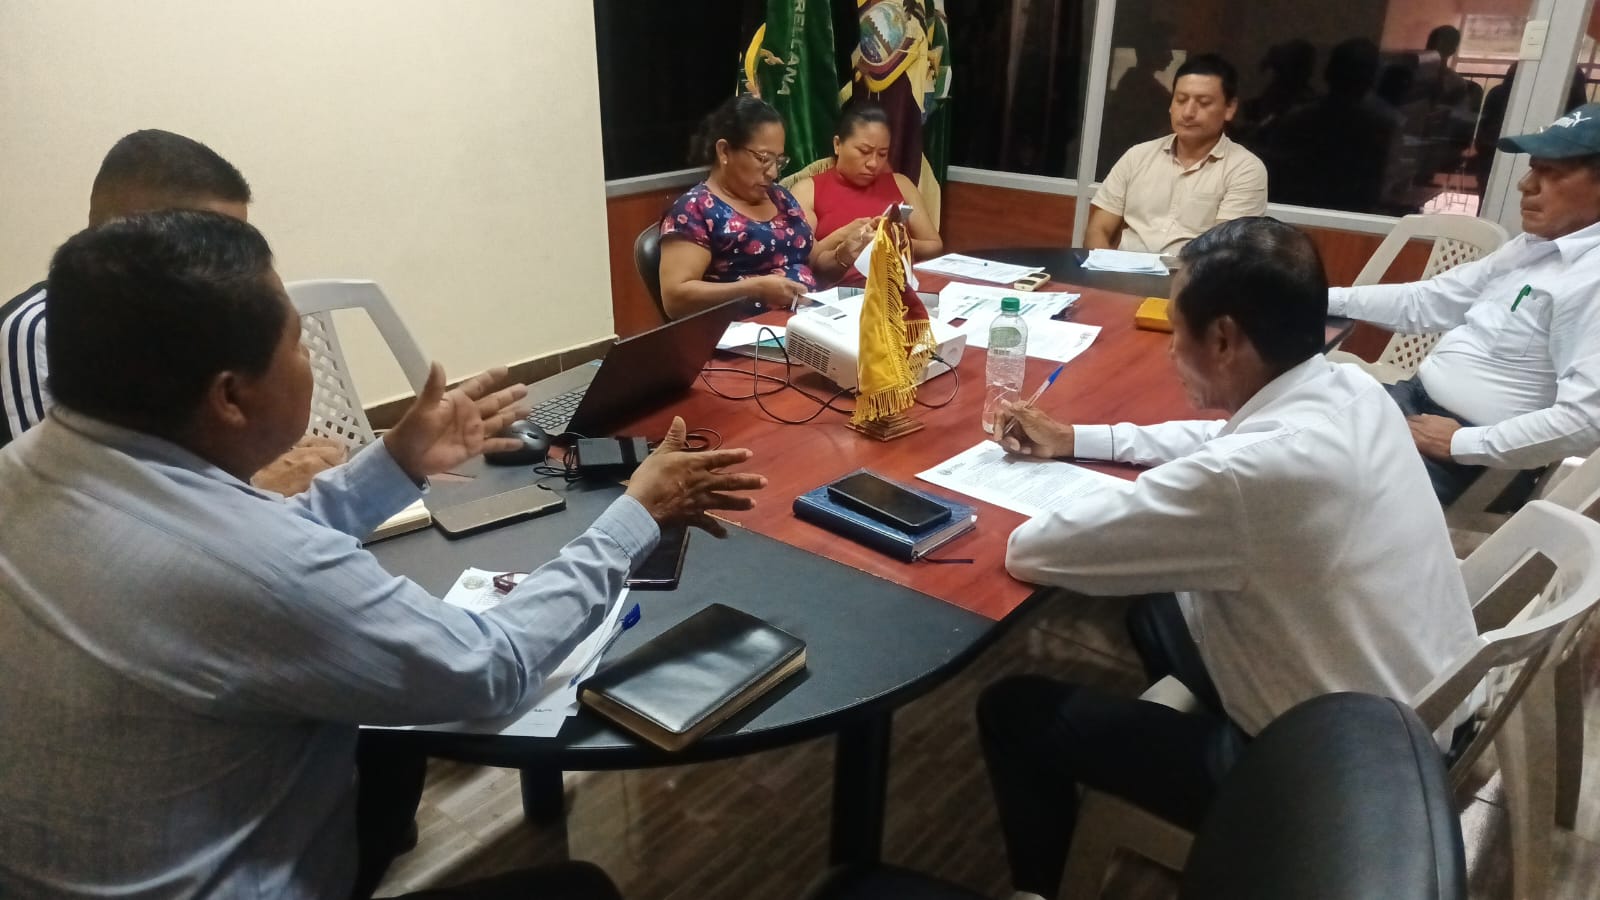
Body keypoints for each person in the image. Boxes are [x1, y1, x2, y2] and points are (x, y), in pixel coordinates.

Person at [0, 210, 767, 899]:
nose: (309, 361)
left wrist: (394, 463)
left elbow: (238, 544)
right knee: (583, 890)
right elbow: (491, 667)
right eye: (297, 343)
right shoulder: (255, 568)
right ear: (230, 397)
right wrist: (638, 514)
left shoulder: (29, 467)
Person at [978, 217, 1476, 900]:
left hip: (1321, 783)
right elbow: (1225, 443)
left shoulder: (1253, 475)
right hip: (1408, 715)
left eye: (1176, 327)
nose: (1169, 347)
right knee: (1155, 607)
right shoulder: (1354, 390)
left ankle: (1043, 890)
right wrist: (1079, 439)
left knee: (1014, 711)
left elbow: (1035, 550)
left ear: (1222, 339)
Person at [0, 128, 343, 494]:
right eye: (210, 244)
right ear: (123, 233)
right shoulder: (36, 330)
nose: (237, 264)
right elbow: (61, 497)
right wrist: (254, 486)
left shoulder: (185, 323)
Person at [1330, 103, 1600, 505]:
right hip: (1414, 403)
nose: (1525, 185)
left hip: (1472, 460)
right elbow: (1428, 300)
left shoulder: (1592, 278)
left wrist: (1462, 443)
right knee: (1280, 426)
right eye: (1532, 168)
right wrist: (1320, 299)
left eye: (1551, 172)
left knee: (1317, 484)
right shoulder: (1532, 248)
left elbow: (1586, 420)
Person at [1085, 54, 1268, 255]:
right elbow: (1098, 229)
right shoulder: (1137, 157)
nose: (1188, 112)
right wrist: (1106, 267)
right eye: (1180, 100)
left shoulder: (1245, 169)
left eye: (1204, 103)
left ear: (1229, 108)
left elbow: (1224, 252)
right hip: (1122, 271)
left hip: (1194, 274)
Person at [658, 95, 816, 319]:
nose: (773, 173)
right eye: (763, 159)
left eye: (779, 161)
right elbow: (675, 299)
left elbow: (813, 261)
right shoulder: (694, 210)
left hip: (808, 321)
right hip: (749, 331)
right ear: (724, 151)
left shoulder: (781, 197)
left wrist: (843, 253)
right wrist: (753, 290)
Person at [789, 103, 944, 281]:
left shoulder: (901, 184)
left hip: (899, 287)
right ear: (838, 145)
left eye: (882, 154)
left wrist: (893, 242)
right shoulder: (808, 190)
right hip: (843, 290)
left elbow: (935, 246)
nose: (873, 163)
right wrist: (845, 236)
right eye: (864, 151)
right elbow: (802, 258)